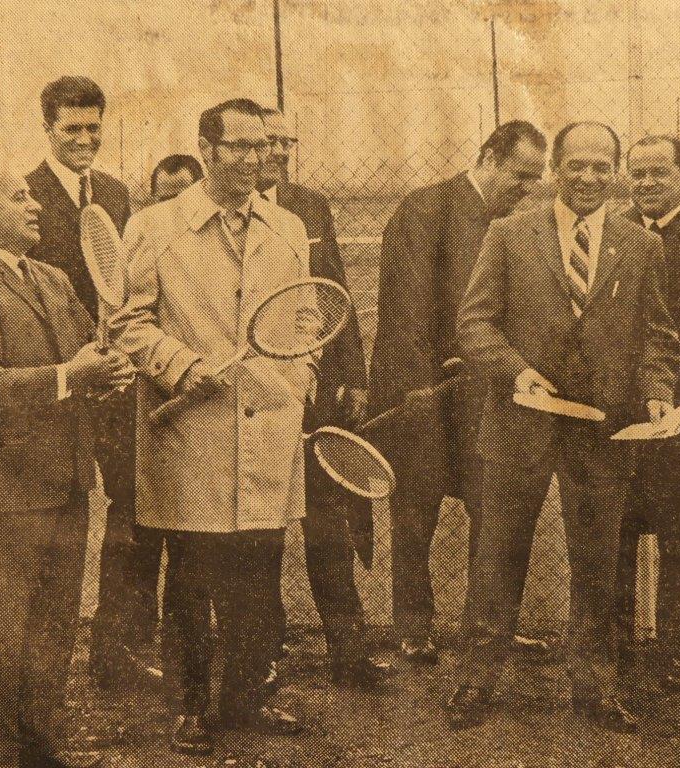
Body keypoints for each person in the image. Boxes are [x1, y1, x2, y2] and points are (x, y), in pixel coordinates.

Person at [446, 122, 680, 733]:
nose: (588, 178)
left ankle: (596, 688)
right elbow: (475, 325)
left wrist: (657, 395)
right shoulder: (508, 234)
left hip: (601, 430)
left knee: (599, 560)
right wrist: (517, 371)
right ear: (555, 168)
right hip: (519, 422)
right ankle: (477, 680)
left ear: (618, 172)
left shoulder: (639, 245)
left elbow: (658, 334)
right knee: (498, 553)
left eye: (602, 167)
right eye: (576, 165)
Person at [111, 98, 312, 756]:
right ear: (207, 148)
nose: (258, 158)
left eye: (265, 147)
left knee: (257, 579)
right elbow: (127, 325)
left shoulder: (286, 227)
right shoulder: (152, 227)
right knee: (193, 583)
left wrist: (296, 383)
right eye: (242, 146)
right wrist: (181, 365)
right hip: (188, 437)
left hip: (267, 438)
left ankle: (248, 700)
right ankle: (193, 706)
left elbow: (307, 322)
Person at [0, 159, 134, 768]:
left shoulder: (52, 278)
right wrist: (69, 376)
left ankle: (39, 750)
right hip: (0, 494)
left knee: (51, 631)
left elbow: (88, 352)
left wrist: (107, 371)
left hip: (64, 485)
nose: (33, 204)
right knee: (0, 638)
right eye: (16, 194)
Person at [368, 120, 547, 663]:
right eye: (520, 175)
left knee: (496, 511)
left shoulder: (516, 223)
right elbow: (406, 312)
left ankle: (488, 629)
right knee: (415, 511)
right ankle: (413, 626)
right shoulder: (425, 208)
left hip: (487, 394)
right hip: (424, 392)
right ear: (490, 157)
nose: (527, 188)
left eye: (536, 179)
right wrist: (421, 388)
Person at [25, 76, 155, 689]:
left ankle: (117, 654)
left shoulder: (116, 194)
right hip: (61, 385)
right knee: (57, 518)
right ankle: (37, 665)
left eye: (93, 128)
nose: (84, 139)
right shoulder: (22, 196)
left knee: (134, 513)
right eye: (71, 128)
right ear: (47, 127)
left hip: (119, 382)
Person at [257, 107, 390, 688]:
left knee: (330, 526)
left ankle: (350, 650)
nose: (280, 151)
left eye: (289, 141)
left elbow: (339, 300)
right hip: (254, 392)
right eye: (269, 141)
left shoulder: (308, 205)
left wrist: (352, 377)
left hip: (316, 396)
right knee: (257, 530)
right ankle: (261, 652)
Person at [617, 135, 680, 690]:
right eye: (639, 174)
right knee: (618, 531)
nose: (648, 184)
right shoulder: (613, 234)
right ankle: (618, 644)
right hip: (625, 411)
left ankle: (675, 650)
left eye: (659, 173)